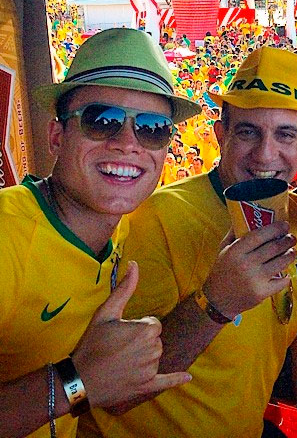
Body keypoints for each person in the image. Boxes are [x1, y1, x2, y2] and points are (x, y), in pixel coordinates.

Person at [84, 46, 297, 438]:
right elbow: (117, 391)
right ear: (220, 134)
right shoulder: (156, 217)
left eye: (285, 134)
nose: (265, 153)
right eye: (247, 131)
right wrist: (216, 304)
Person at [0, 28, 201, 438]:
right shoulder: (7, 238)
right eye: (101, 120)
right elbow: (86, 382)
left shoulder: (125, 227)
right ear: (57, 136)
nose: (128, 143)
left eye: (152, 128)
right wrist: (74, 382)